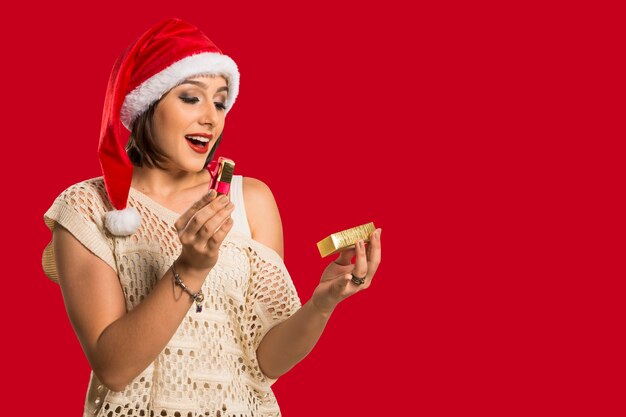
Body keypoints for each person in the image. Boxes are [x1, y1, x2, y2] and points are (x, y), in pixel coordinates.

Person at [42, 18, 382, 417]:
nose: (212, 117)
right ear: (145, 104)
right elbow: (115, 368)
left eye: (220, 102)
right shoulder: (90, 207)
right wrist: (191, 267)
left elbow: (265, 362)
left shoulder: (250, 199)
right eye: (191, 98)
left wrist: (322, 304)